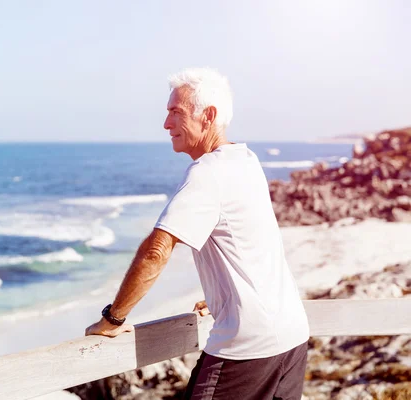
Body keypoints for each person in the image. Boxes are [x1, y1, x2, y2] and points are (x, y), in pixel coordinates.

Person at [85, 67, 310, 399]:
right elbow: (251, 242)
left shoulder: (207, 173)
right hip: (291, 338)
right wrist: (224, 295)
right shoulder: (246, 161)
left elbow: (156, 251)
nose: (166, 124)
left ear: (209, 116)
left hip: (247, 347)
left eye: (175, 112)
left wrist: (113, 318)